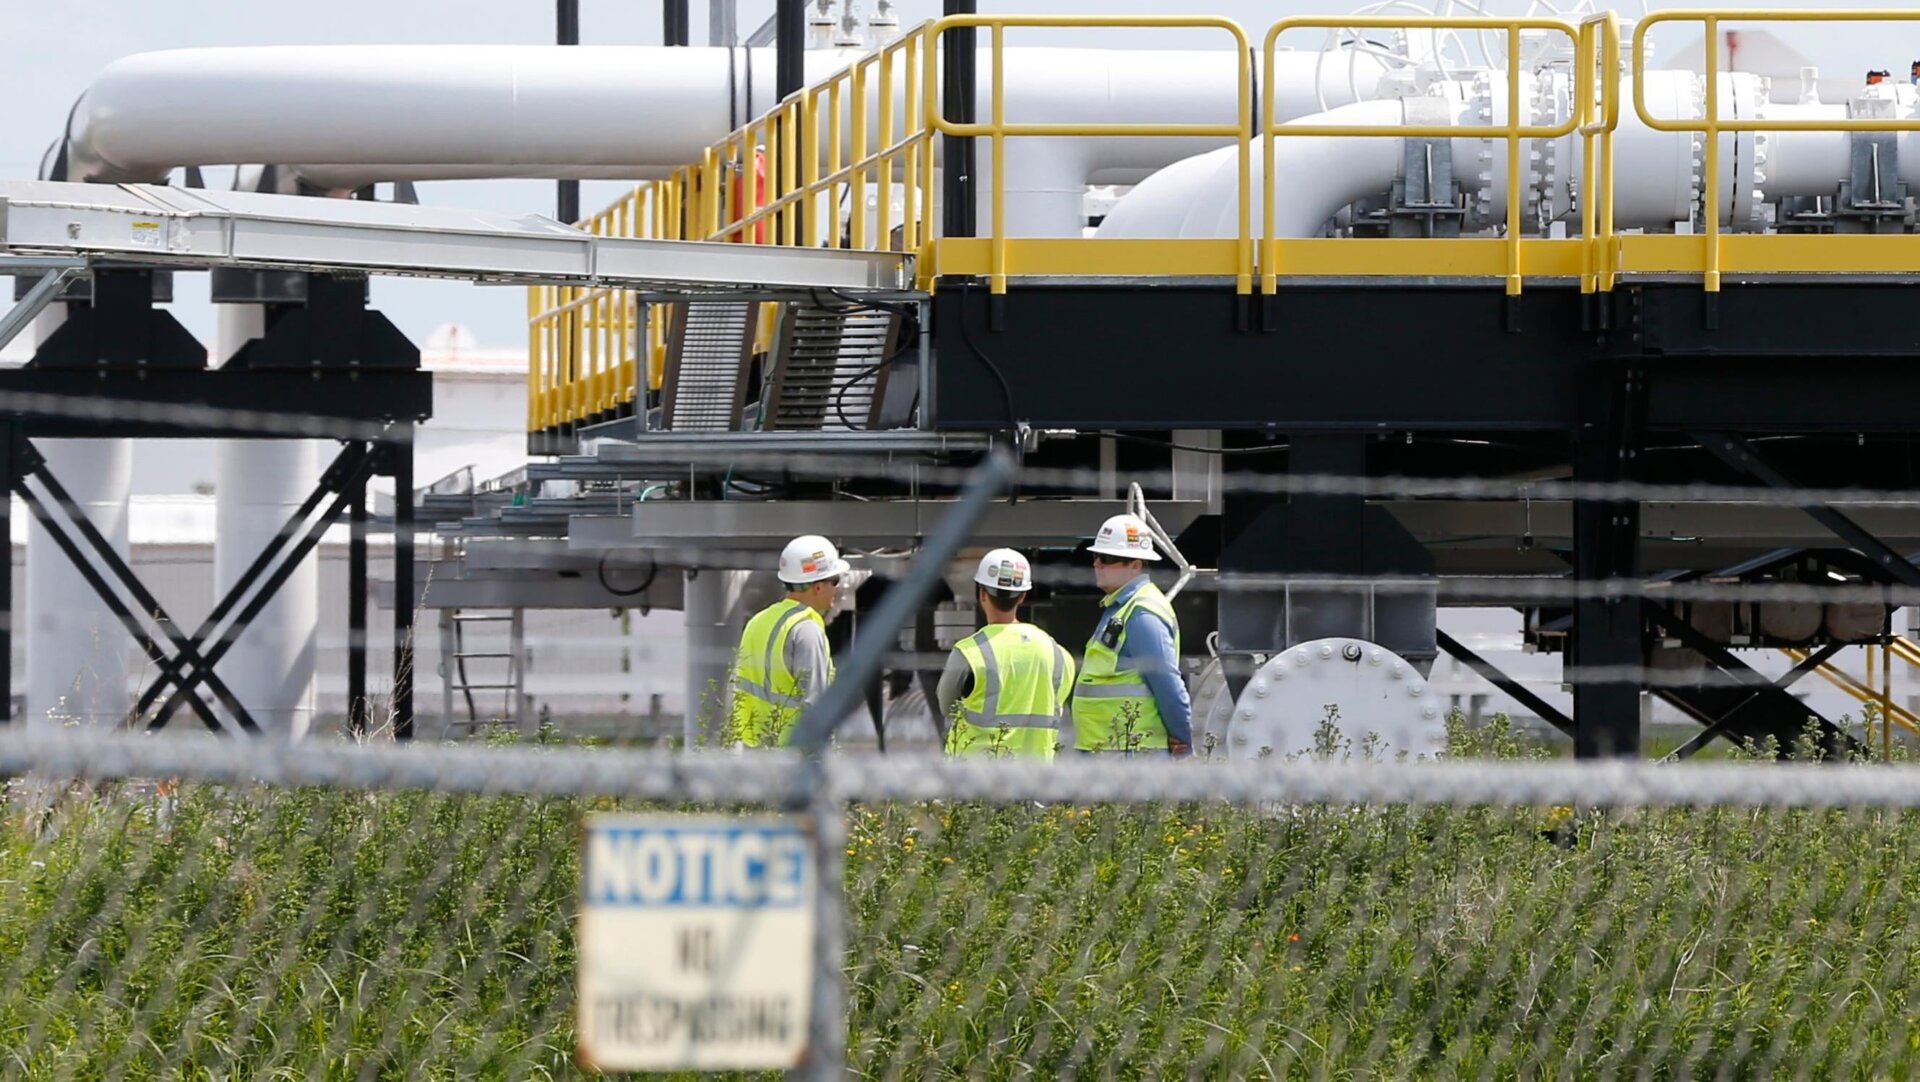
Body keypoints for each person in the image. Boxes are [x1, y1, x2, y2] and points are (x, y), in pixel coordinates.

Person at [1071, 514, 1192, 757]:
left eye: (1107, 558)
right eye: (1096, 556)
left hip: (1131, 756)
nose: (1097, 564)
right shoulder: (1121, 608)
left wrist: (1184, 740)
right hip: (1111, 751)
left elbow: (1167, 683)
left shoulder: (1142, 613)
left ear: (1136, 565)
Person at [936, 549, 1074, 759]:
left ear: (982, 593)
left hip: (975, 779)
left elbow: (946, 706)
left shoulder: (969, 653)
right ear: (1022, 596)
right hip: (1036, 780)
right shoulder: (1057, 653)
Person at [728, 535, 847, 747]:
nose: (837, 587)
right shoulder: (806, 630)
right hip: (795, 754)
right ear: (818, 587)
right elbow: (816, 705)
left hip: (755, 751)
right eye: (834, 580)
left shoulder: (758, 621)